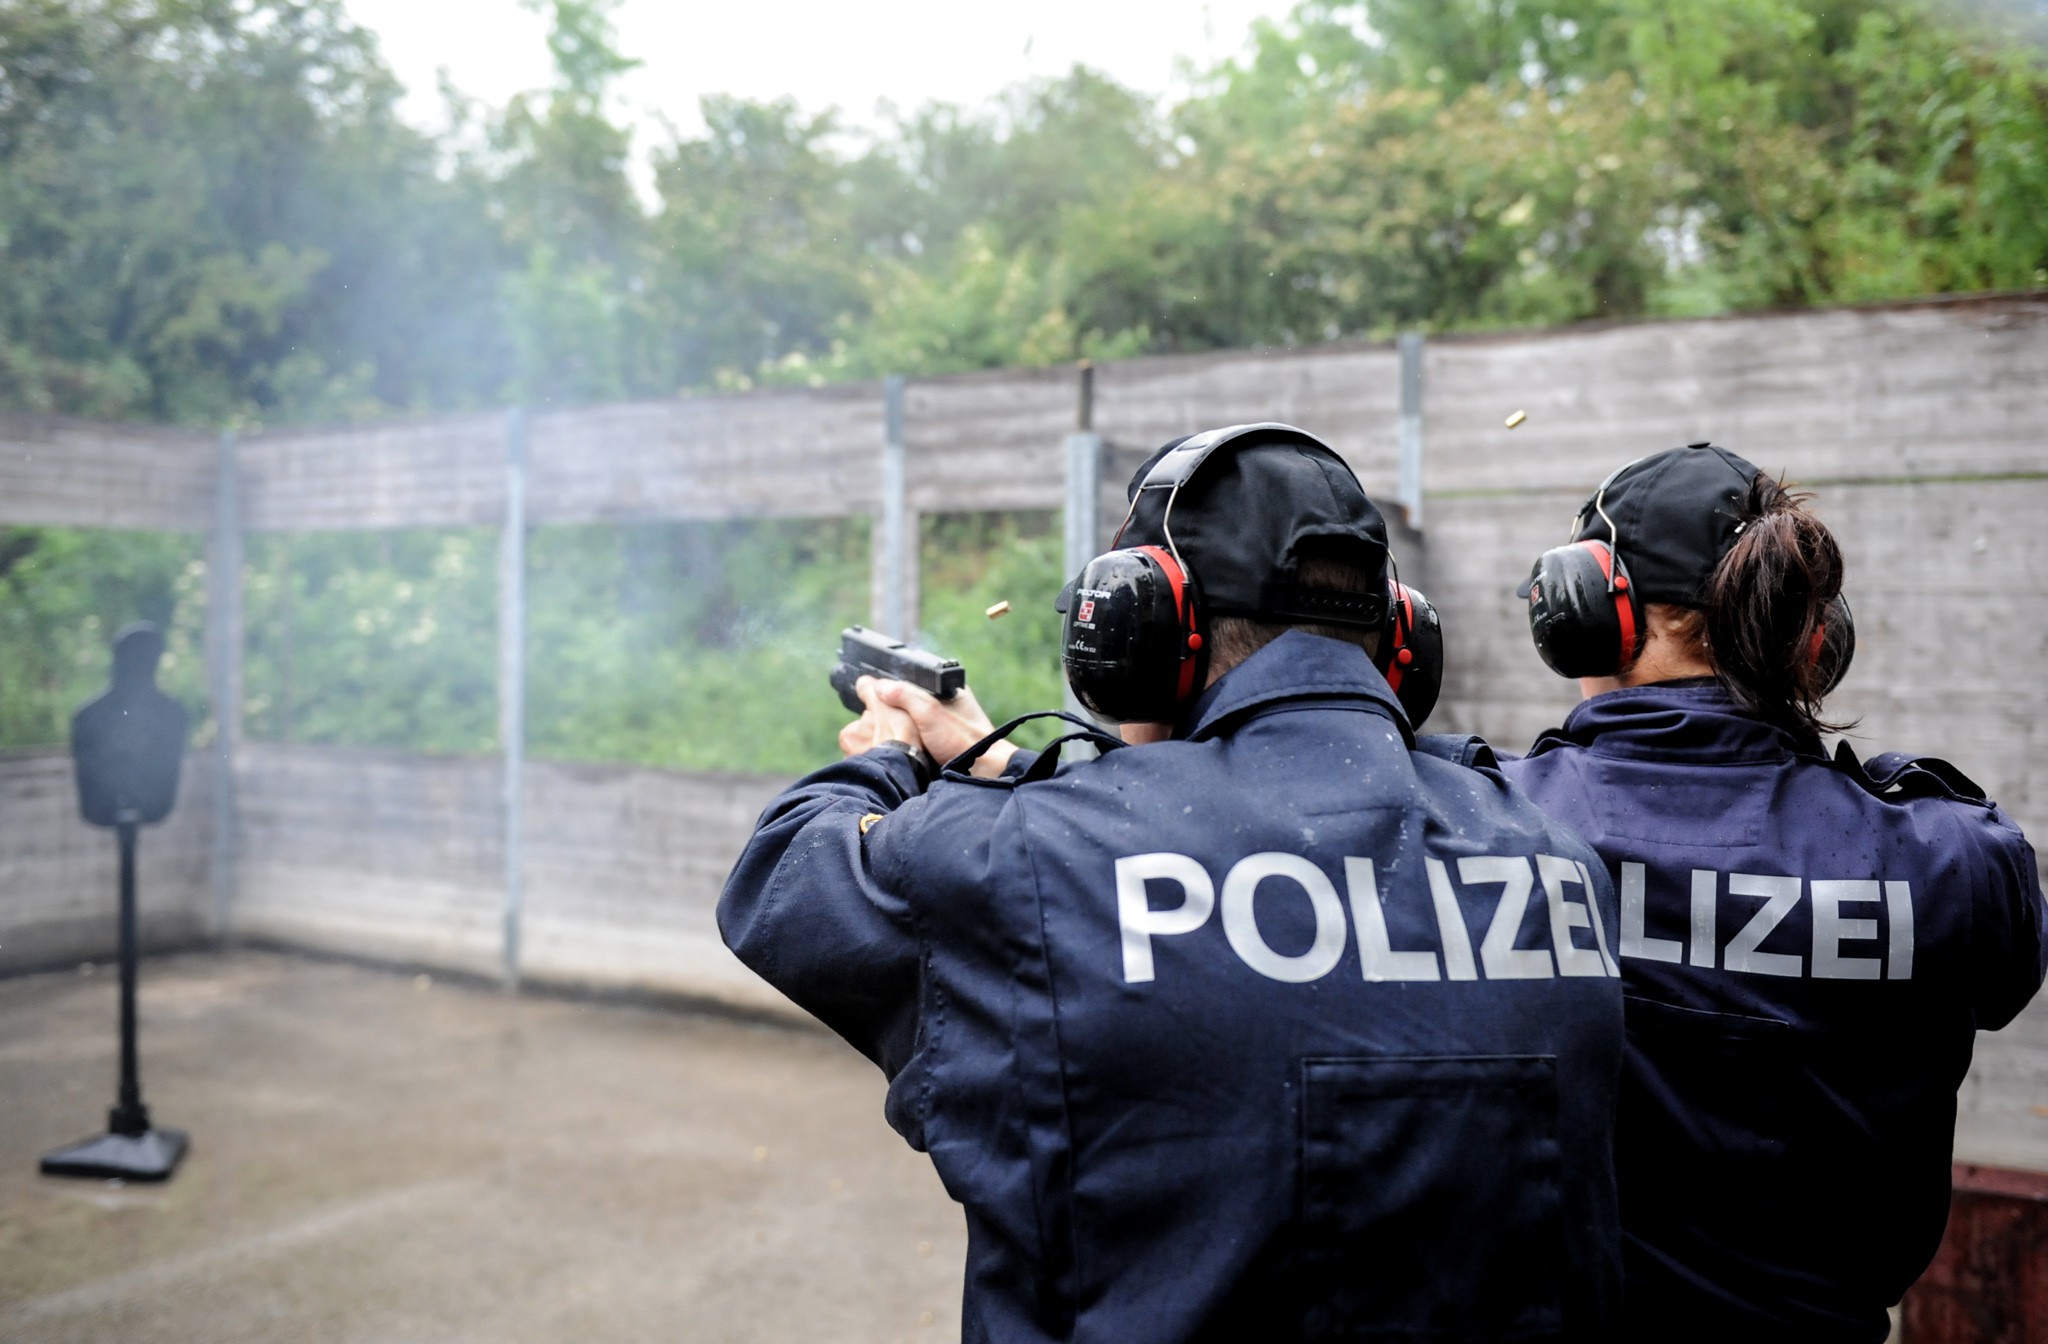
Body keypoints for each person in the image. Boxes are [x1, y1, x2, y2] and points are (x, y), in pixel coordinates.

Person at [721, 423, 1625, 1343]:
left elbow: (785, 874)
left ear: (1138, 633)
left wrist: (888, 757)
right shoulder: (1552, 858)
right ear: (1398, 639)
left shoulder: (1036, 862)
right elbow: (1231, 838)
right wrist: (1006, 767)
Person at [1504, 443, 2048, 1344]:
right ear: (1816, 643)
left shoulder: (1485, 826)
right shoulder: (1954, 863)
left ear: (1592, 611)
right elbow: (2007, 972)